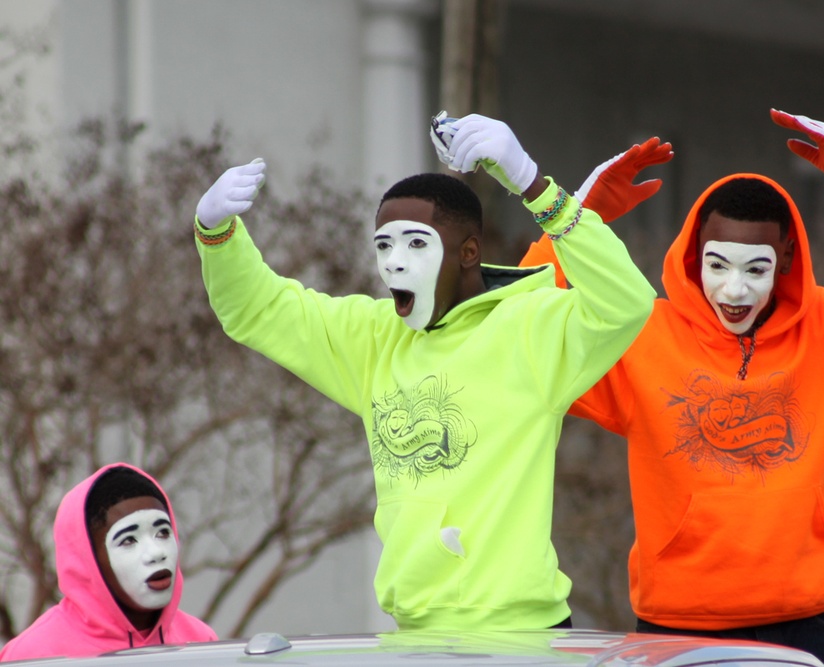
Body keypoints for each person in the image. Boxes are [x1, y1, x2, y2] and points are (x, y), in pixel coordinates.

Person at [518, 109, 824, 666]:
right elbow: (524, 332)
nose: (734, 289)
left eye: (755, 269)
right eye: (718, 266)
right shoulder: (637, 334)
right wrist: (577, 218)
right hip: (676, 632)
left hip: (808, 628)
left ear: (786, 257)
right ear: (694, 257)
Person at [190, 113, 655, 631]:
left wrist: (533, 183)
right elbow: (258, 310)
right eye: (384, 245)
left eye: (415, 243)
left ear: (468, 253)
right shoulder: (372, 340)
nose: (393, 262)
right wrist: (216, 234)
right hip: (416, 638)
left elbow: (626, 303)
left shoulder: (531, 330)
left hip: (522, 638)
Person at [0, 463, 216, 660]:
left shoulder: (200, 641)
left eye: (162, 533)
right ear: (88, 560)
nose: (156, 553)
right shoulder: (34, 655)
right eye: (129, 540)